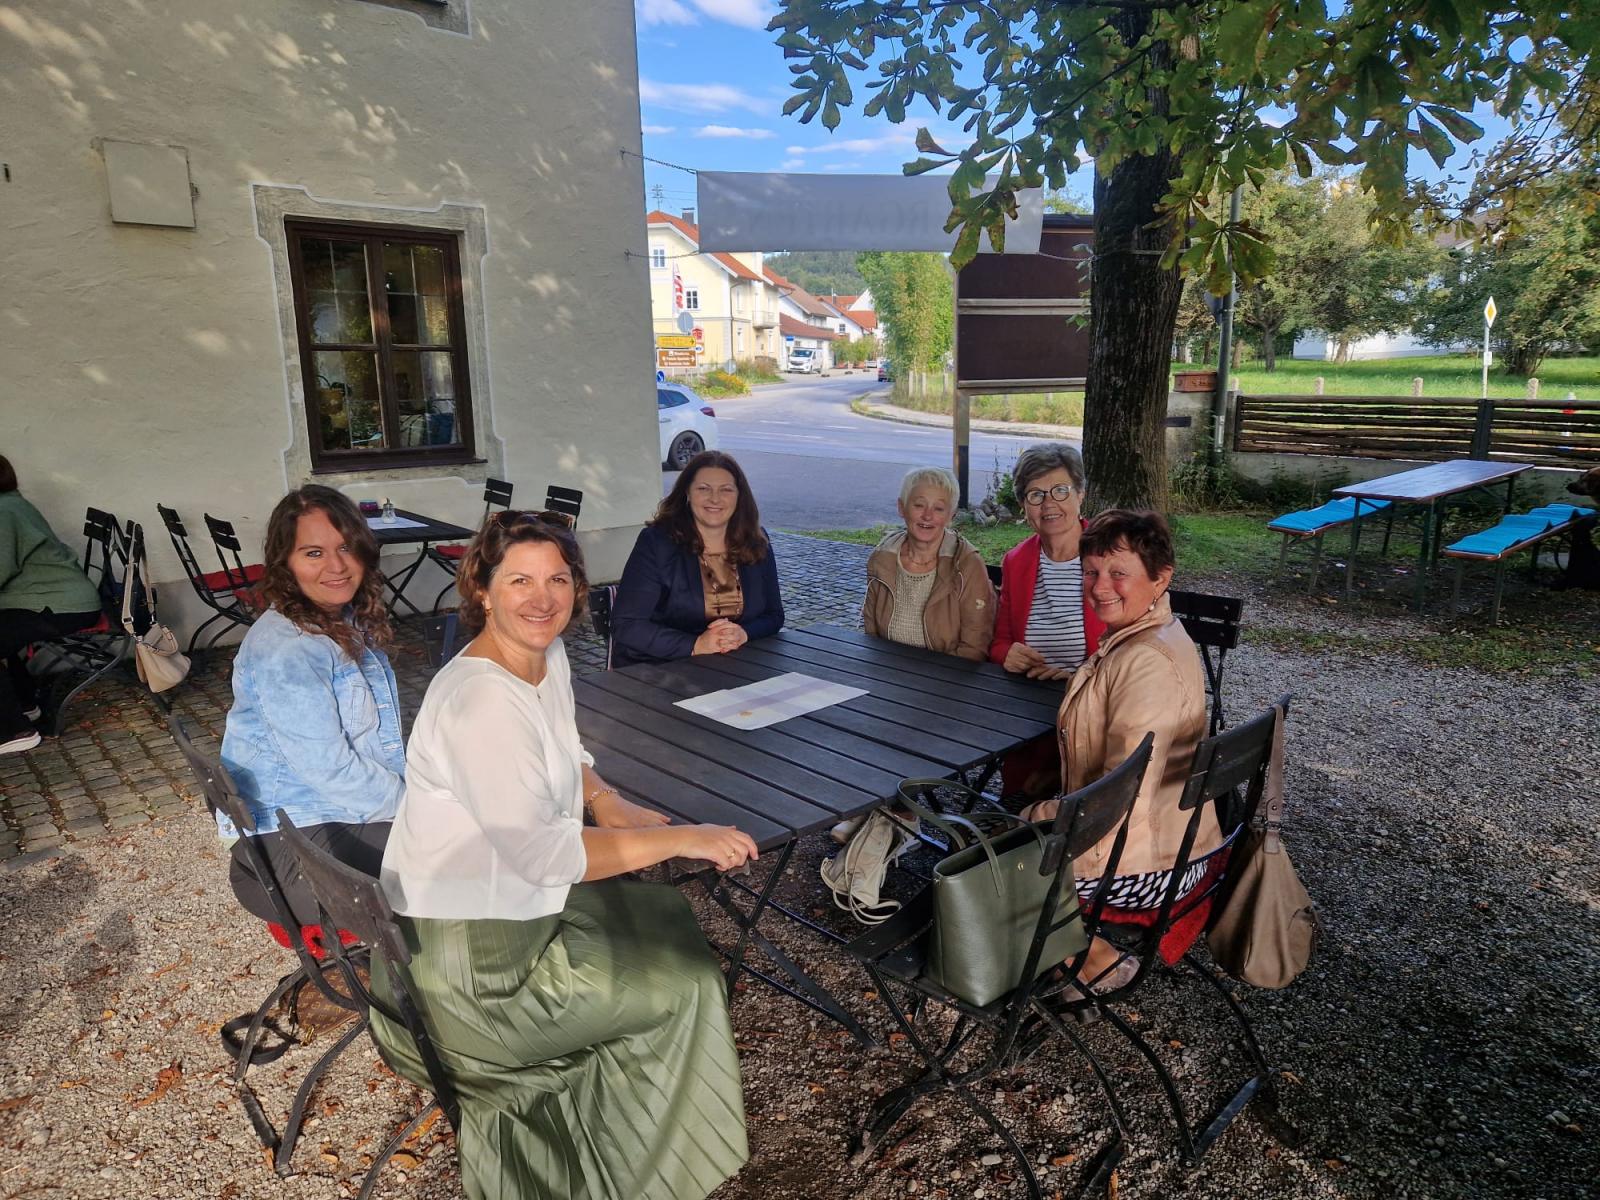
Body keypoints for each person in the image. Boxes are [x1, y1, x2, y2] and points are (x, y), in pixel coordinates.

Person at [375, 511, 755, 1200]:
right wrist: (684, 836)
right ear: (483, 590)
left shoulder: (540, 656)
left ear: (577, 589)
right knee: (687, 982)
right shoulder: (481, 703)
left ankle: (627, 1138)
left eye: (557, 579)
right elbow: (546, 856)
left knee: (660, 913)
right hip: (472, 973)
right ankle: (647, 1174)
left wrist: (605, 798)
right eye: (519, 580)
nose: (541, 598)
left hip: (498, 909)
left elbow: (565, 744)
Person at [1023, 510, 1218, 988]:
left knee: (999, 857)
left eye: (1118, 573)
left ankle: (1095, 961)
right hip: (1176, 842)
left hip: (1147, 865)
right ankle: (1070, 956)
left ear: (1160, 578)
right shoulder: (1152, 634)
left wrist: (1037, 815)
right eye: (1091, 572)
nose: (1099, 586)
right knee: (1015, 827)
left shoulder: (1145, 660)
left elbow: (1117, 798)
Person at [219, 485, 404, 928]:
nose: (336, 566)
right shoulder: (291, 649)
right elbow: (331, 770)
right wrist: (416, 805)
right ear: (285, 561)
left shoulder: (335, 621)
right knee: (469, 854)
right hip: (295, 845)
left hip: (316, 817)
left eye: (345, 548)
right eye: (314, 553)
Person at [989, 444, 1107, 797]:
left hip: (1094, 708)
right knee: (1025, 792)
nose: (1048, 504)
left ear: (1080, 495)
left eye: (1060, 490)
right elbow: (1000, 641)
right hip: (1029, 707)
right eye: (1036, 495)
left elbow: (1134, 643)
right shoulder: (1016, 561)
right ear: (1024, 506)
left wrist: (1079, 680)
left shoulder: (1108, 556)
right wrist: (1007, 654)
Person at [611, 450, 783, 667]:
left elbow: (774, 615)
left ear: (739, 496)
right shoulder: (656, 543)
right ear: (687, 493)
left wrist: (743, 633)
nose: (715, 498)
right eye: (703, 488)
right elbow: (627, 625)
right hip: (660, 667)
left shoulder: (756, 541)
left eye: (726, 489)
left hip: (735, 665)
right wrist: (696, 645)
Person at [0, 456, 104, 755]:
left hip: (62, 605)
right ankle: (24, 705)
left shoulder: (4, 511)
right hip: (56, 599)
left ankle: (14, 731)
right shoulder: (11, 503)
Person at [862, 466, 995, 661]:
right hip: (887, 669)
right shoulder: (882, 557)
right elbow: (871, 633)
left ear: (951, 516)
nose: (927, 516)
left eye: (939, 508)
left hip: (948, 675)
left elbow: (974, 648)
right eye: (919, 505)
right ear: (901, 508)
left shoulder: (967, 564)